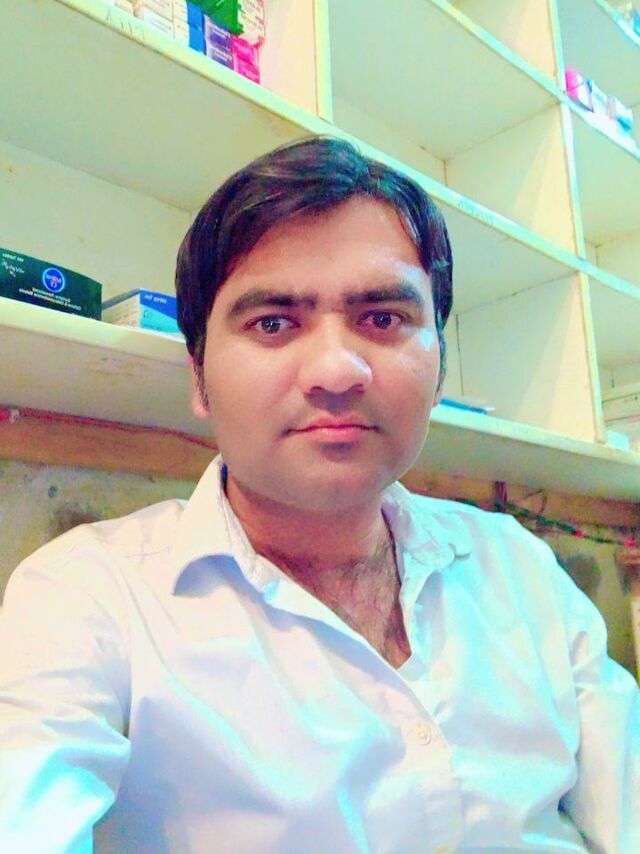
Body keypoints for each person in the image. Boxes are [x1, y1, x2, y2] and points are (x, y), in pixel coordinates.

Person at [0, 136, 638, 854]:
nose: (336, 371)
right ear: (199, 377)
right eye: (272, 323)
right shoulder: (88, 596)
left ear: (439, 367)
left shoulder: (520, 568)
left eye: (383, 319)